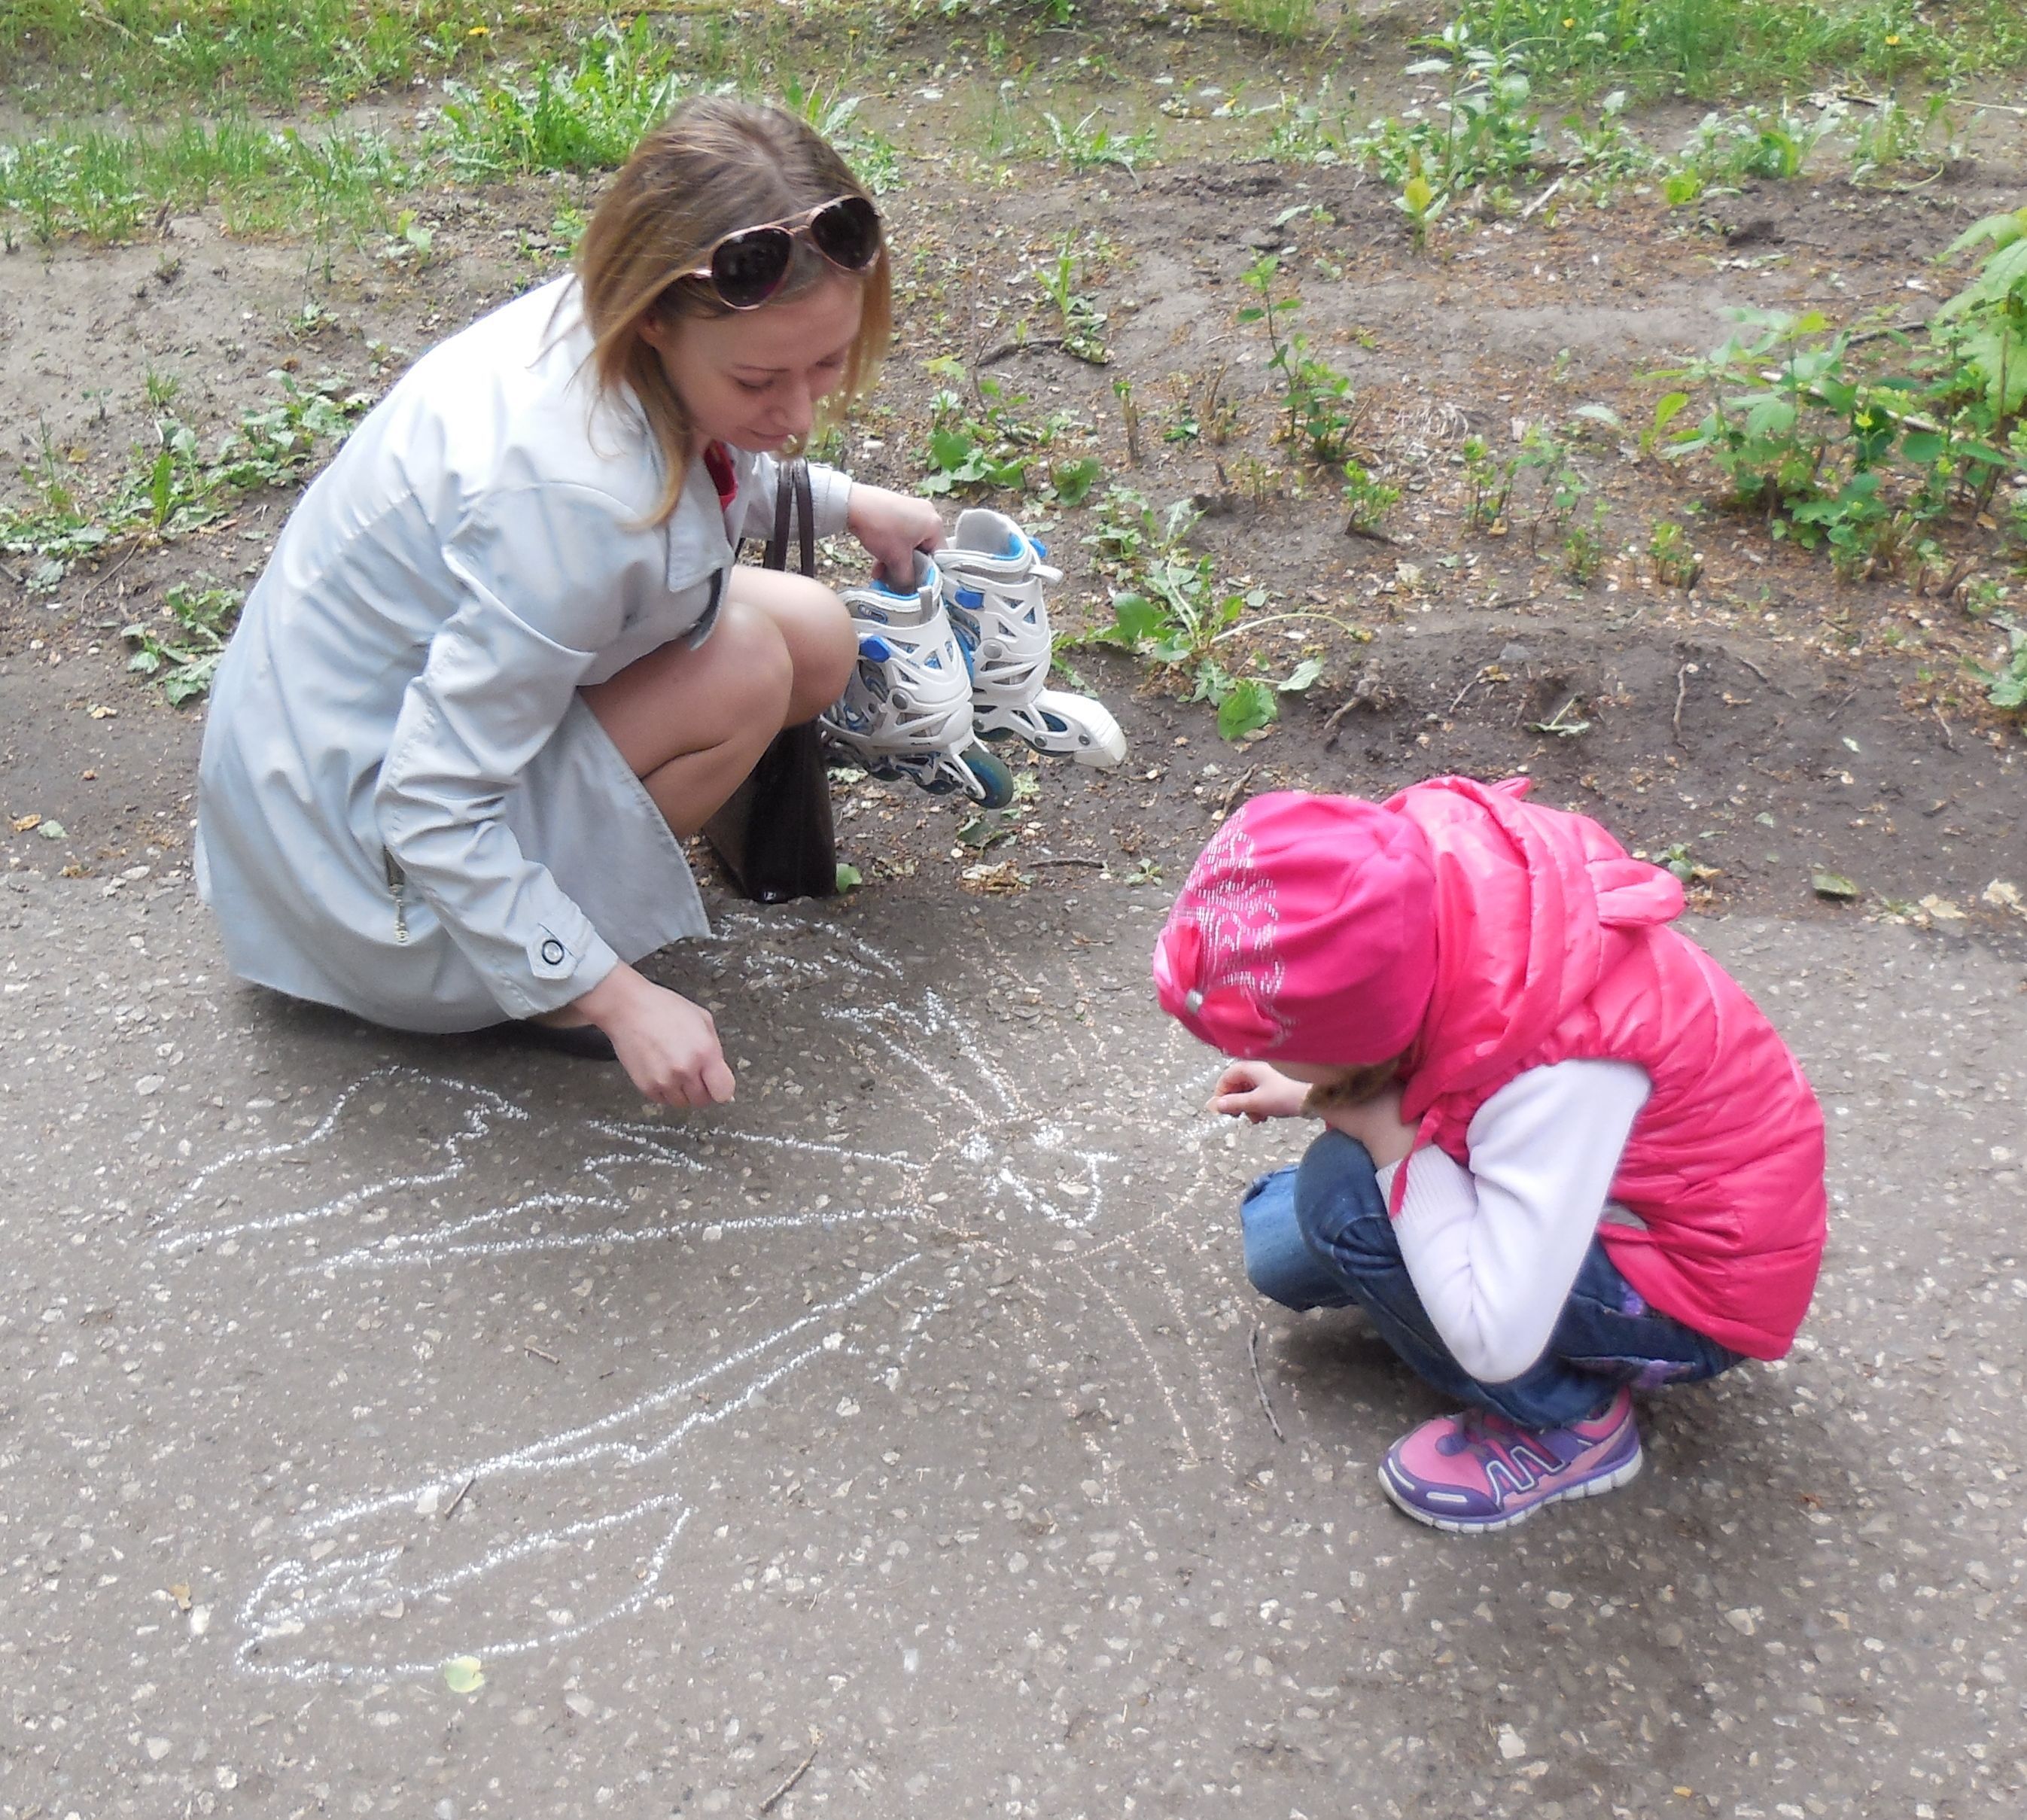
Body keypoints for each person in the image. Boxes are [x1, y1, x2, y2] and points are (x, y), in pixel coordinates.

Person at [196, 98, 941, 1110]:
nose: (800, 412)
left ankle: (602, 866)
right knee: (748, 667)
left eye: (825, 364)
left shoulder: (619, 323)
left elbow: (697, 461)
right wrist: (611, 995)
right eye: (762, 379)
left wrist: (846, 502)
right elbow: (427, 808)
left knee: (813, 636)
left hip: (315, 775)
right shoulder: (568, 498)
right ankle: (538, 977)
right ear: (658, 317)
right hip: (368, 881)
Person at [1152, 777, 1828, 1533]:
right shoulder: (1435, 903)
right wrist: (1314, 1081)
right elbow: (1433, 1039)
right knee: (1281, 1247)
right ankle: (1409, 1238)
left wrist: (1381, 1133)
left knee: (1339, 1198)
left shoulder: (1562, 1075)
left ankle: (1568, 1425)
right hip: (1596, 1189)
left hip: (1688, 1296)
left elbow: (1494, 1341)